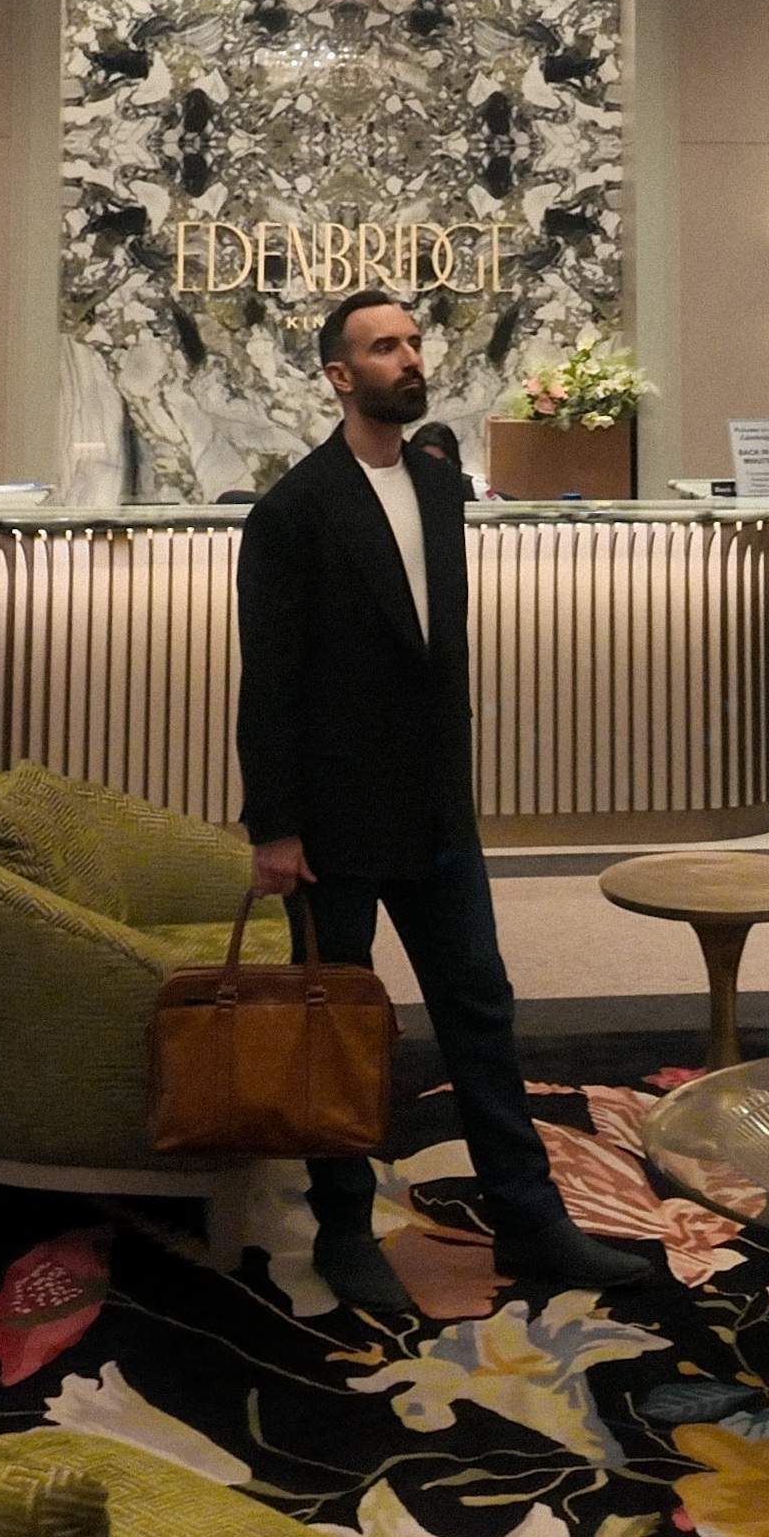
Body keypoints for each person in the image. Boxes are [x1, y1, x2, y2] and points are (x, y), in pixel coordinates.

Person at [237, 287, 651, 1313]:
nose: (410, 356)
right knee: (340, 1031)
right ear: (340, 375)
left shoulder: (436, 481)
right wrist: (274, 828)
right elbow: (269, 681)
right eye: (384, 346)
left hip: (435, 810)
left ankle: (531, 1217)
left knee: (480, 1010)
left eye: (415, 340)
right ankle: (343, 1232)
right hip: (331, 824)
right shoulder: (291, 511)